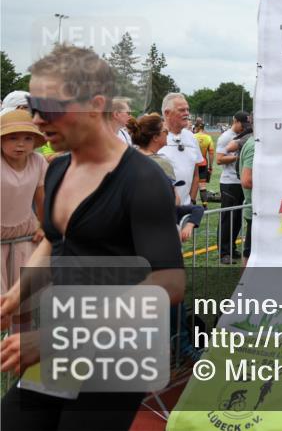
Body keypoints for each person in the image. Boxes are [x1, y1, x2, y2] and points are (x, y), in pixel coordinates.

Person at [0, 44, 184, 430]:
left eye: (48, 108)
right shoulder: (57, 168)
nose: (36, 120)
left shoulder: (143, 179)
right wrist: (14, 296)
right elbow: (54, 239)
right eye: (34, 107)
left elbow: (168, 283)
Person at [127, 113, 202, 242]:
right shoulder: (161, 162)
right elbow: (174, 197)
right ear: (155, 137)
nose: (167, 134)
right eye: (165, 131)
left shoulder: (128, 157)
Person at [1, 110, 47, 295]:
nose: (21, 144)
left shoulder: (38, 161)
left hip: (24, 236)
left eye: (28, 138)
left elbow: (42, 198)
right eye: (12, 138)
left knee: (25, 296)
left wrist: (44, 226)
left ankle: (25, 324)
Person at [215, 112, 249, 264]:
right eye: (244, 124)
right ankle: (224, 252)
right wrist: (239, 156)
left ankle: (232, 247)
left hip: (240, 182)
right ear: (236, 121)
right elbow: (219, 159)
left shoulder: (245, 135)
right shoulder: (226, 137)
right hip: (229, 182)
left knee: (236, 219)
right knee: (227, 218)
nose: (246, 127)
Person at [158, 93, 203, 208]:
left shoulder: (191, 137)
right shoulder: (154, 137)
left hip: (185, 209)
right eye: (181, 110)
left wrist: (191, 201)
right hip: (160, 211)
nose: (187, 113)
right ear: (167, 113)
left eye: (187, 109)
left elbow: (196, 175)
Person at [239, 135, 254, 261]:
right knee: (250, 252)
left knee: (249, 250)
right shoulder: (254, 145)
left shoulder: (252, 142)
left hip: (254, 207)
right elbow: (246, 180)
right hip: (255, 207)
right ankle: (245, 281)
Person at [192, 118, 215, 204]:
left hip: (193, 165)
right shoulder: (208, 138)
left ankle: (192, 204)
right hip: (203, 164)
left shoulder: (192, 137)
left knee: (192, 185)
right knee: (202, 186)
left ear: (197, 127)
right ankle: (205, 206)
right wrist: (210, 167)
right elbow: (211, 153)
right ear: (203, 128)